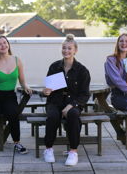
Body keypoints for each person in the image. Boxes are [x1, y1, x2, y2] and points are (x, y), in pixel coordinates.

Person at [42, 34, 91, 166]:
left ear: (75, 50)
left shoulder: (82, 71)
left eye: (69, 48)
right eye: (64, 48)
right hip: (55, 101)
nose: (66, 51)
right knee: (52, 115)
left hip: (73, 103)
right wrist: (46, 91)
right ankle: (48, 149)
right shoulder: (54, 67)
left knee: (74, 114)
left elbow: (85, 94)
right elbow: (47, 89)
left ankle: (73, 151)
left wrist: (71, 105)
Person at [0, 35, 32, 155]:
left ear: (8, 44)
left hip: (9, 96)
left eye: (5, 42)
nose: (3, 45)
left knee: (14, 113)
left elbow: (22, 80)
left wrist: (26, 87)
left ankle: (17, 142)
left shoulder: (16, 60)